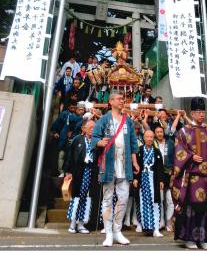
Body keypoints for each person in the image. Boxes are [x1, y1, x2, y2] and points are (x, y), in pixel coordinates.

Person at [171, 98, 207, 250]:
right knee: (190, 209)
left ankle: (203, 238)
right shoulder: (184, 131)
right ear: (192, 113)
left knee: (205, 209)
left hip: (206, 178)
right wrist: (190, 156)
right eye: (199, 112)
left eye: (204, 112)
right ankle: (189, 239)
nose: (202, 115)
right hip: (190, 178)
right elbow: (178, 151)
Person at [91, 91, 140, 247]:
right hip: (109, 164)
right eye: (119, 99)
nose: (122, 101)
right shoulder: (104, 119)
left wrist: (135, 162)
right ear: (110, 101)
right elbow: (94, 137)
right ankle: (108, 233)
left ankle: (117, 231)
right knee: (107, 199)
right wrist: (99, 143)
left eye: (122, 99)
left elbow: (133, 143)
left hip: (124, 165)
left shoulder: (128, 121)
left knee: (123, 198)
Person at [64, 120, 96, 234]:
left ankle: (81, 224)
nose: (93, 129)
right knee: (76, 197)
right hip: (79, 172)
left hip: (90, 172)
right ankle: (73, 224)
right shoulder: (78, 139)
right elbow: (70, 156)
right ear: (84, 128)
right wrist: (68, 171)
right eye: (90, 127)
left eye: (94, 127)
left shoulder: (96, 141)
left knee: (86, 198)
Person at [133, 130, 164, 237]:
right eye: (147, 137)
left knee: (155, 203)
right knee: (141, 201)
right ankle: (142, 224)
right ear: (144, 138)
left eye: (151, 137)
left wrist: (161, 180)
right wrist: (136, 178)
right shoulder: (139, 150)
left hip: (153, 179)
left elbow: (160, 168)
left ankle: (155, 227)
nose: (150, 139)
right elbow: (136, 166)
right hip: (142, 178)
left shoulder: (157, 151)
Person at [153, 123, 175, 232]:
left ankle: (169, 221)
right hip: (158, 174)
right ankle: (160, 221)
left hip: (169, 173)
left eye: (161, 132)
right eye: (157, 132)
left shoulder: (170, 143)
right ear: (155, 134)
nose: (159, 134)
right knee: (160, 199)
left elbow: (176, 158)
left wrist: (174, 172)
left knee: (170, 200)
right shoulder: (153, 144)